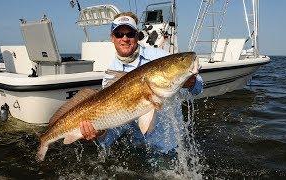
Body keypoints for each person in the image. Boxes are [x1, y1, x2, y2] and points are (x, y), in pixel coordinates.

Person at [79, 12, 203, 154]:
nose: (124, 39)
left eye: (130, 33)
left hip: (172, 146)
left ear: (137, 36)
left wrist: (192, 82)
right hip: (141, 149)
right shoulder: (110, 76)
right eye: (119, 34)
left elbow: (198, 88)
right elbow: (114, 130)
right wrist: (99, 134)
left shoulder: (160, 57)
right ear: (112, 38)